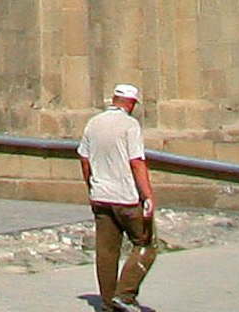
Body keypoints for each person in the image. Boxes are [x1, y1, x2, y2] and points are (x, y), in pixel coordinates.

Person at [80, 82, 157, 309]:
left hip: (101, 196)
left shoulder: (93, 123)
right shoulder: (129, 125)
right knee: (145, 244)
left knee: (106, 250)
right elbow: (137, 163)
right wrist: (148, 195)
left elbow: (84, 160)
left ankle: (106, 304)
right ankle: (124, 294)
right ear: (131, 103)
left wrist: (91, 186)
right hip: (126, 198)